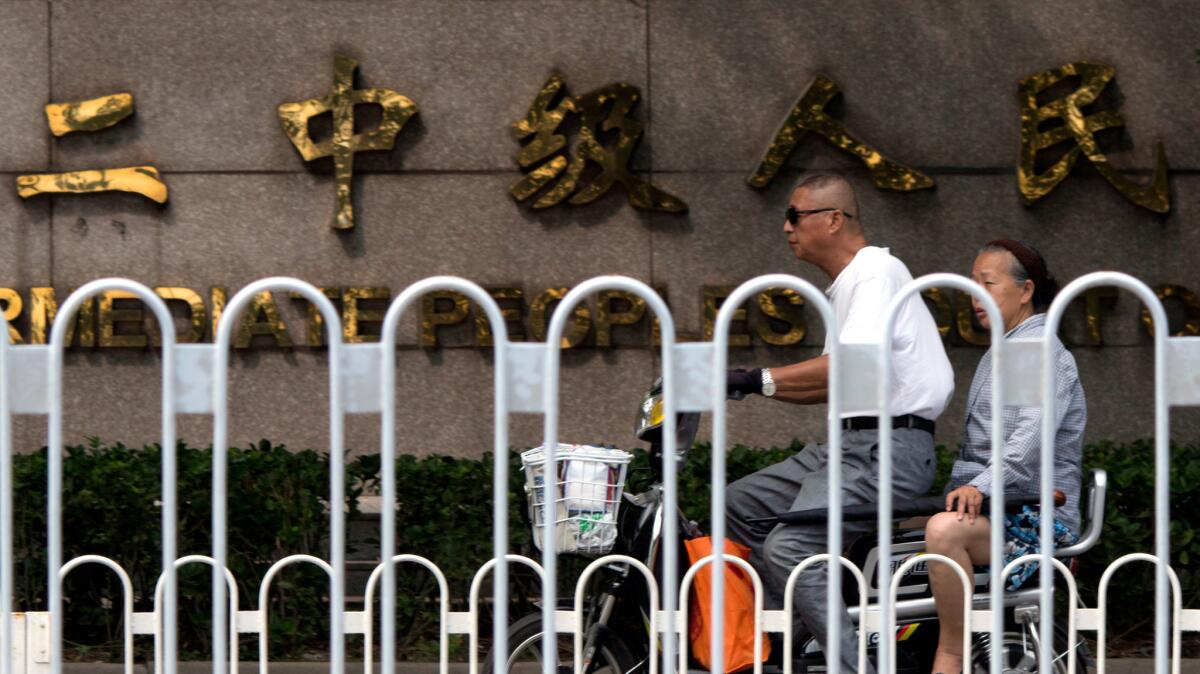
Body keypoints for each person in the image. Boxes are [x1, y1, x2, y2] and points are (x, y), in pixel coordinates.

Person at [724, 173, 955, 674]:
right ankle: (799, 631)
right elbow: (835, 384)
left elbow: (849, 370)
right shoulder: (847, 286)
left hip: (886, 450)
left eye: (794, 215)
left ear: (832, 219)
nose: (786, 227)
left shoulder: (875, 272)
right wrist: (740, 384)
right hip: (846, 448)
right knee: (737, 504)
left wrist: (750, 376)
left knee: (791, 546)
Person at [924, 240, 1085, 674]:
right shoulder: (1010, 347)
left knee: (943, 533)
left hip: (1031, 516)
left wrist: (979, 486)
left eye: (987, 284)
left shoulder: (1036, 349)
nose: (975, 296)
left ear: (1026, 290)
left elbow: (1028, 438)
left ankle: (952, 653)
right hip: (1007, 507)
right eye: (971, 284)